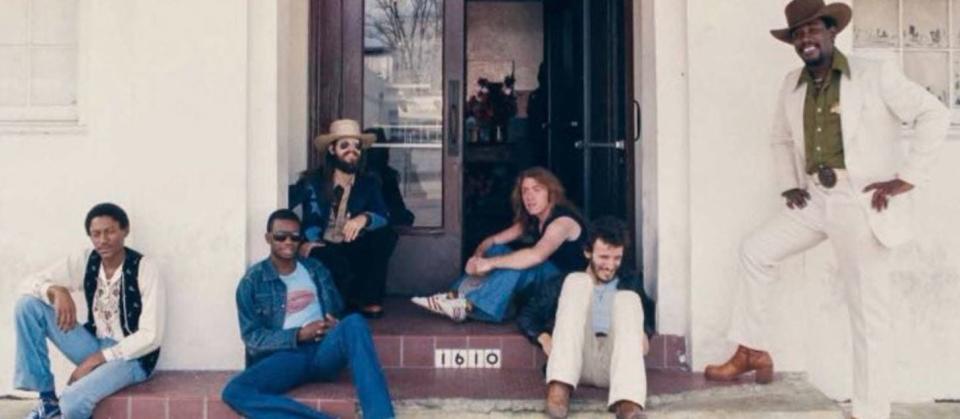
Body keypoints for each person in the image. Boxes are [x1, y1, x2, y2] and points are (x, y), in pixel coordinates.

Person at [704, 2, 950, 419]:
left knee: (867, 312)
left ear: (832, 32)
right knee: (756, 250)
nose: (806, 39)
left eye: (813, 29)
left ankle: (871, 411)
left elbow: (934, 114)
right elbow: (780, 139)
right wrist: (790, 185)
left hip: (860, 199)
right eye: (797, 34)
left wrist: (905, 177)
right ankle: (752, 350)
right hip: (816, 197)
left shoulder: (875, 74)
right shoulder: (791, 84)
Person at [222, 209, 394, 419]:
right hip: (286, 356)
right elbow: (252, 338)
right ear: (268, 238)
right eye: (280, 236)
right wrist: (298, 335)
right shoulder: (252, 282)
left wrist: (333, 323)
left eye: (295, 237)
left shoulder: (315, 269)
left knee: (354, 323)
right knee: (235, 391)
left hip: (323, 349)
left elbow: (336, 307)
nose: (288, 242)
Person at [14, 203, 164, 419]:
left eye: (110, 231)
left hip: (132, 358)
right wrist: (55, 290)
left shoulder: (146, 268)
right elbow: (27, 283)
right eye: (96, 234)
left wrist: (95, 360)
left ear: (125, 230)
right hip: (93, 345)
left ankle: (62, 408)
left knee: (73, 401)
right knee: (27, 305)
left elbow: (152, 336)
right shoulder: (86, 261)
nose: (103, 240)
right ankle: (47, 400)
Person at [518, 217, 653, 419]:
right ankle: (559, 388)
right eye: (604, 257)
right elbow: (527, 315)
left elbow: (647, 317)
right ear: (587, 252)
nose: (610, 265)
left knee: (629, 299)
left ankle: (628, 403)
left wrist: (644, 333)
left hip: (614, 367)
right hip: (576, 365)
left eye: (617, 258)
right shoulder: (564, 283)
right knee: (576, 281)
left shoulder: (629, 281)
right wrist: (544, 337)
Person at [412, 166, 586, 323]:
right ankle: (454, 298)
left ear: (551, 193)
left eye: (536, 190)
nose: (529, 197)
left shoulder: (561, 222)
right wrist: (478, 258)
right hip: (546, 282)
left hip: (566, 286)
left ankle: (470, 305)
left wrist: (490, 263)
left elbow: (536, 255)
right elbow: (492, 241)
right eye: (525, 191)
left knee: (526, 263)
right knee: (498, 250)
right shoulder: (533, 219)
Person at [290, 119, 392, 319]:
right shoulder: (312, 182)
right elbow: (285, 211)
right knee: (334, 263)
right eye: (345, 145)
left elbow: (384, 214)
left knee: (385, 235)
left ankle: (370, 299)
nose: (352, 151)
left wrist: (364, 218)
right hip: (321, 244)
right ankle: (342, 306)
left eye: (357, 146)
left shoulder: (368, 182)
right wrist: (300, 242)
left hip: (352, 242)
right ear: (332, 149)